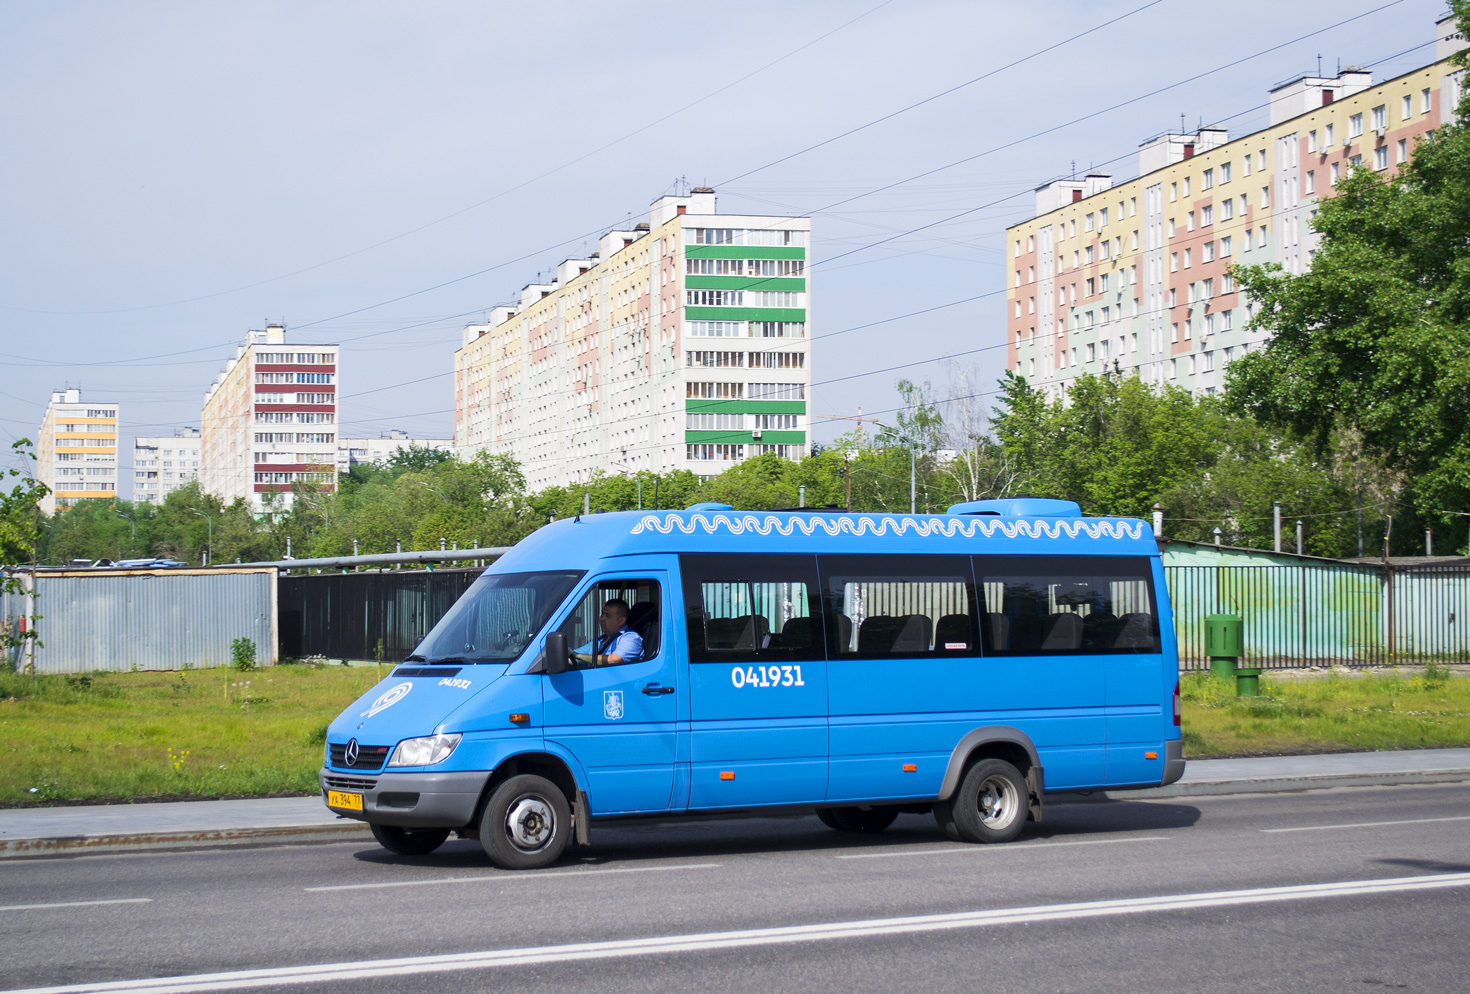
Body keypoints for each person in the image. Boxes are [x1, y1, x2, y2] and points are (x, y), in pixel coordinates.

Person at [573, 598, 643, 666]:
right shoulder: (601, 640)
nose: (602, 618)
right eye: (602, 614)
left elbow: (614, 660)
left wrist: (579, 656)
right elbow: (574, 654)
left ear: (621, 621)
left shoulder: (631, 638)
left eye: (607, 616)